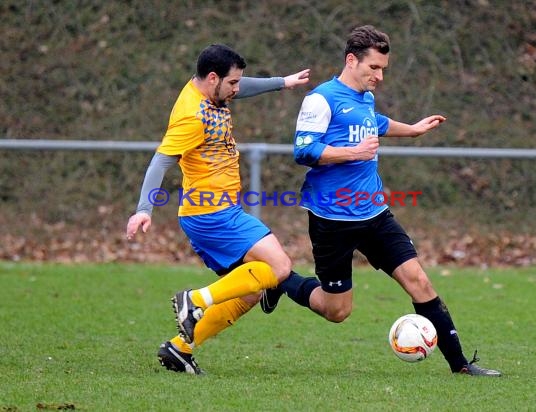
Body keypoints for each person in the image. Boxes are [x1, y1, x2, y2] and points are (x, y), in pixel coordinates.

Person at [260, 25, 501, 377]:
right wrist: (352, 152)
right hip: (332, 220)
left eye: (383, 68)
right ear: (351, 60)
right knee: (336, 311)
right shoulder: (320, 99)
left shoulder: (366, 98)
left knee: (419, 281)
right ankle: (280, 281)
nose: (380, 76)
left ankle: (460, 365)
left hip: (375, 214)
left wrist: (414, 129)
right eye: (374, 67)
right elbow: (303, 150)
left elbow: (376, 123)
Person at [126, 43, 311, 374]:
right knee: (280, 267)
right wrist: (144, 209)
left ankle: (180, 349)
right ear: (213, 79)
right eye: (233, 83)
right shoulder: (192, 117)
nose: (238, 89)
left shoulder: (210, 91)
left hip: (215, 213)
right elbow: (159, 162)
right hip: (211, 214)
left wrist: (283, 82)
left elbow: (241, 86)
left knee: (250, 290)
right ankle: (194, 301)